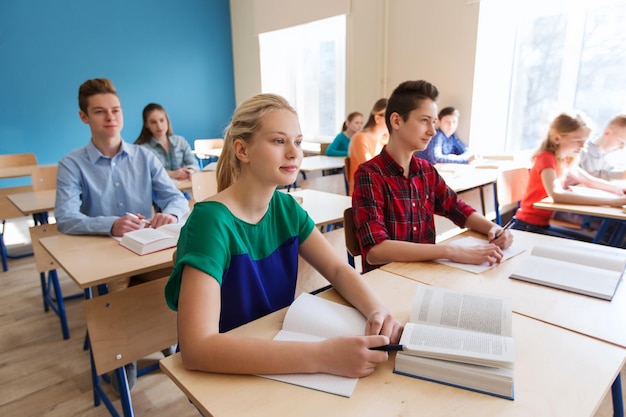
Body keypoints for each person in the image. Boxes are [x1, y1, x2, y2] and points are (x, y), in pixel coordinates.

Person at [164, 93, 403, 378]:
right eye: (279, 141)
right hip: (226, 370)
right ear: (242, 150)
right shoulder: (209, 222)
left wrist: (377, 309)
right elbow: (198, 348)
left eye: (298, 142)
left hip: (277, 348)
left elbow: (338, 270)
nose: (294, 152)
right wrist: (321, 356)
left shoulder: (287, 208)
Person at [55, 78, 189, 391]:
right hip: (105, 257)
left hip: (148, 248)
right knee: (118, 294)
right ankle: (124, 358)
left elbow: (176, 198)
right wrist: (110, 224)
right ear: (84, 117)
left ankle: (168, 335)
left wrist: (170, 212)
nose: (110, 117)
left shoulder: (144, 158)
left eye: (115, 110)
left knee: (187, 272)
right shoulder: (72, 164)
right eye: (100, 112)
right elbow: (65, 218)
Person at [352, 80, 514, 273]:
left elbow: (457, 208)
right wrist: (450, 251)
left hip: (426, 275)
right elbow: (376, 251)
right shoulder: (370, 175)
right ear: (396, 121)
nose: (432, 131)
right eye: (424, 121)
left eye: (434, 122)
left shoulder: (426, 171)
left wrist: (493, 228)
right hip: (388, 282)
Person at [512, 111, 626, 239]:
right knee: (593, 243)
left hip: (542, 225)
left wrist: (620, 190)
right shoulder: (546, 158)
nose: (583, 147)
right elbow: (557, 195)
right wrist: (612, 201)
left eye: (584, 141)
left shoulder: (564, 159)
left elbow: (590, 181)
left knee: (594, 241)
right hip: (528, 227)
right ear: (557, 139)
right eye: (577, 141)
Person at [134, 103, 200, 181]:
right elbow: (144, 174)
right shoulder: (142, 149)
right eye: (153, 122)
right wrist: (172, 174)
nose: (159, 126)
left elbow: (194, 164)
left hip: (183, 189)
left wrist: (189, 171)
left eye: (162, 120)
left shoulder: (180, 141)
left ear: (167, 120)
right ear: (146, 124)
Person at [347, 98, 388, 195]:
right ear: (377, 118)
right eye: (389, 116)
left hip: (381, 192)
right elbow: (372, 170)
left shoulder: (385, 140)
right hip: (364, 193)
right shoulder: (360, 138)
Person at [578, 114, 626, 180]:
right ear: (607, 133)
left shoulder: (610, 160)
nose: (622, 147)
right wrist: (621, 175)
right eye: (621, 142)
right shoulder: (581, 150)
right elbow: (583, 177)